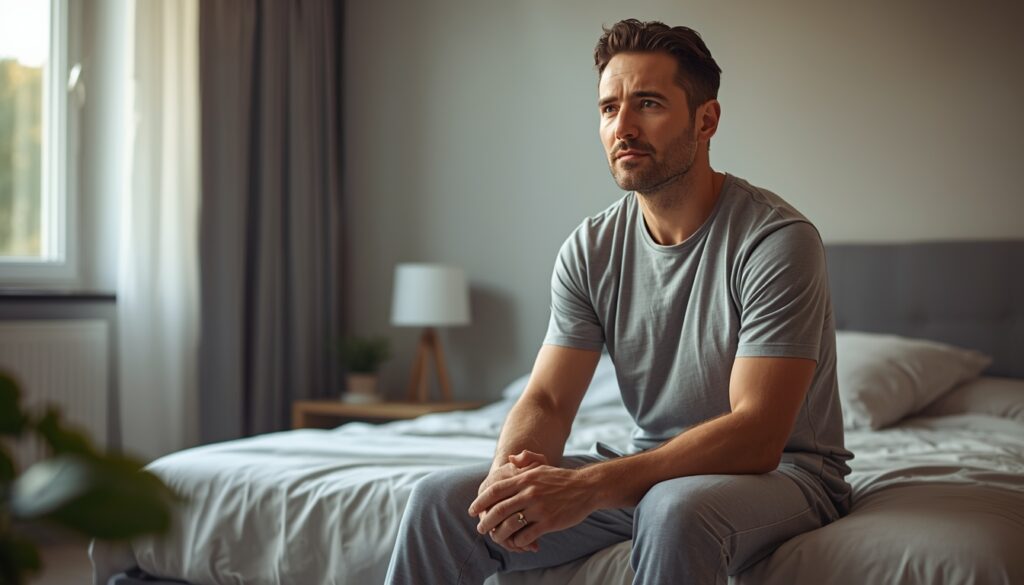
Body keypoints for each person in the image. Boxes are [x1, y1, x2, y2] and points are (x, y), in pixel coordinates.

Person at [385, 18, 852, 584]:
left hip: (784, 476)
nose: (622, 127)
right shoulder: (590, 248)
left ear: (706, 120)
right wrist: (509, 478)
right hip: (645, 473)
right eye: (609, 108)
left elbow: (756, 433)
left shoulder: (775, 241)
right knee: (441, 503)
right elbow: (549, 400)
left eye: (649, 104)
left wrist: (590, 486)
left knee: (674, 508)